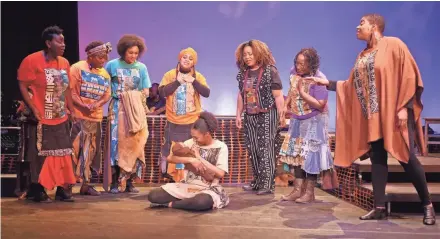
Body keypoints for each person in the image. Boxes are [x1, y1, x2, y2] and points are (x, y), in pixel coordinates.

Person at [307, 14, 435, 225]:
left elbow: (410, 75)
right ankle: (379, 207)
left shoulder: (393, 44)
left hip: (396, 114)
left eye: (362, 23)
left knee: (407, 158)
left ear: (374, 26)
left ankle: (427, 205)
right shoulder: (362, 56)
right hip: (374, 118)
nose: (357, 27)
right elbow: (350, 87)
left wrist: (405, 107)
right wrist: (326, 83)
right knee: (378, 159)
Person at [17, 25, 76, 202]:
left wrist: (71, 109)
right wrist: (33, 108)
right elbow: (22, 84)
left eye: (64, 41)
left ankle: (62, 187)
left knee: (64, 153)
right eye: (59, 41)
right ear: (48, 43)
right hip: (41, 117)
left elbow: (66, 89)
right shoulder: (32, 60)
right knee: (42, 154)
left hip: (60, 116)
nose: (63, 44)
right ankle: (38, 188)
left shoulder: (64, 62)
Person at [279, 48, 334, 203]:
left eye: (302, 63)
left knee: (310, 157)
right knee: (296, 155)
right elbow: (291, 89)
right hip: (297, 119)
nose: (299, 66)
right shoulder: (294, 72)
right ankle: (297, 190)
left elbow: (321, 105)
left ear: (311, 64)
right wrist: (285, 105)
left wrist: (303, 94)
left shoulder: (318, 79)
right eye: (297, 62)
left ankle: (309, 192)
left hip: (314, 121)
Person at [148, 111, 229, 211]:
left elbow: (220, 173)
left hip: (208, 189)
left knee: (202, 202)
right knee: (153, 195)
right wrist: (191, 160)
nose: (194, 140)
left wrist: (199, 158)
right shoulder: (190, 143)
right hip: (187, 186)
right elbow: (170, 158)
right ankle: (186, 203)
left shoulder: (221, 146)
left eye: (196, 137)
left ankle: (171, 204)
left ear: (207, 134)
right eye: (193, 137)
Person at [235, 40, 285, 195]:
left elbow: (278, 96)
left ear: (258, 53)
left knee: (266, 148)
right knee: (253, 148)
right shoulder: (243, 74)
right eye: (245, 55)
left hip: (267, 113)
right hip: (250, 115)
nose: (248, 57)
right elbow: (241, 95)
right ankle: (257, 181)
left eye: (250, 54)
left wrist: (281, 115)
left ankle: (267, 184)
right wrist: (238, 114)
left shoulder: (270, 71)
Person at [104, 34, 152, 194]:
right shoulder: (112, 65)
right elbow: (106, 86)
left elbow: (146, 89)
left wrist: (137, 96)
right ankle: (115, 183)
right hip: (118, 109)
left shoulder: (141, 68)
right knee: (116, 144)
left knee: (135, 143)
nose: (133, 56)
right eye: (130, 52)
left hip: (136, 110)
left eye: (136, 53)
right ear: (123, 51)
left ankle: (130, 181)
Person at [158, 47, 210, 182]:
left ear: (194, 63)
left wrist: (193, 81)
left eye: (190, 58)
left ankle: (189, 180)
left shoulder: (198, 76)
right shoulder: (170, 75)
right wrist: (177, 82)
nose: (187, 60)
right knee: (171, 152)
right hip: (173, 122)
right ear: (179, 58)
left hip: (191, 122)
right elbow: (162, 93)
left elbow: (206, 93)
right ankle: (171, 179)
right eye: (184, 57)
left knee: (190, 151)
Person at [69, 41, 112, 196]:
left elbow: (107, 94)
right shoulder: (77, 68)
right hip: (79, 117)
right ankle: (66, 185)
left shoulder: (104, 74)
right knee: (74, 150)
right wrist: (82, 105)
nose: (103, 60)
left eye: (105, 57)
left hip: (95, 119)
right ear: (91, 56)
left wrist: (98, 103)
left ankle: (86, 185)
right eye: (100, 57)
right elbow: (70, 91)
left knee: (91, 152)